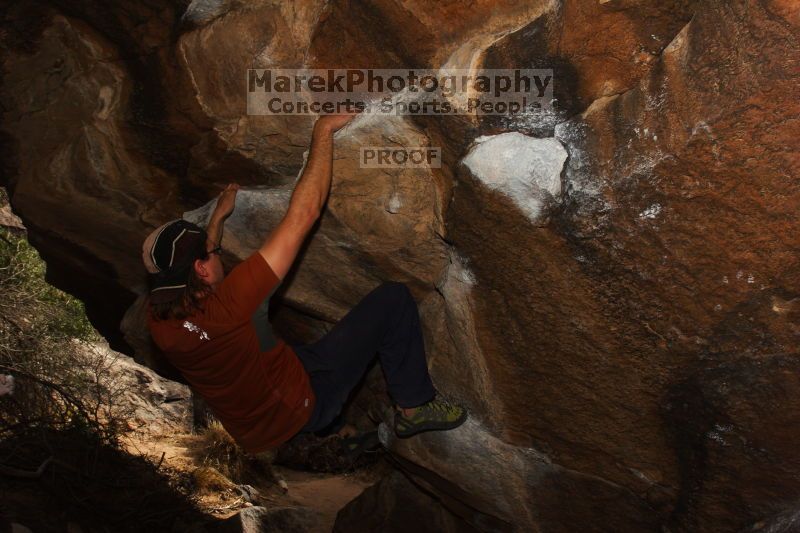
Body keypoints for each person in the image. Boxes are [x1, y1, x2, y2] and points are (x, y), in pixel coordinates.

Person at [142, 114, 467, 457]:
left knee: (286, 354)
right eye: (211, 253)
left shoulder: (159, 317)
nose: (216, 252)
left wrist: (217, 221)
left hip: (254, 418)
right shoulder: (235, 304)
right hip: (301, 403)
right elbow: (304, 214)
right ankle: (414, 407)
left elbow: (193, 273)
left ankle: (335, 432)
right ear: (200, 270)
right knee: (394, 300)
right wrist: (323, 130)